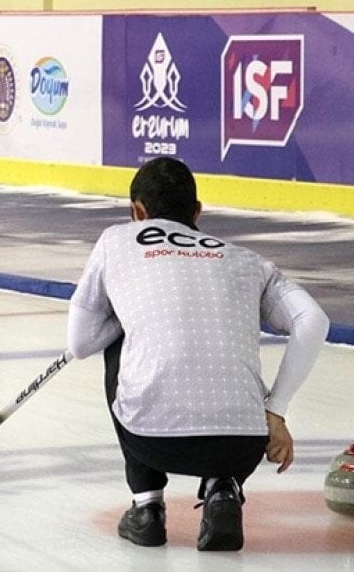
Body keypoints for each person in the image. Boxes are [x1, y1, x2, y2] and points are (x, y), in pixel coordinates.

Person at [64, 157, 328, 551]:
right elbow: (313, 320)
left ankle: (147, 506)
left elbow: (81, 343)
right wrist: (276, 410)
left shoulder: (116, 240)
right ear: (198, 212)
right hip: (242, 444)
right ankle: (224, 489)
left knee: (120, 342)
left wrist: (131, 316)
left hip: (151, 439)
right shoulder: (248, 261)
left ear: (138, 211)